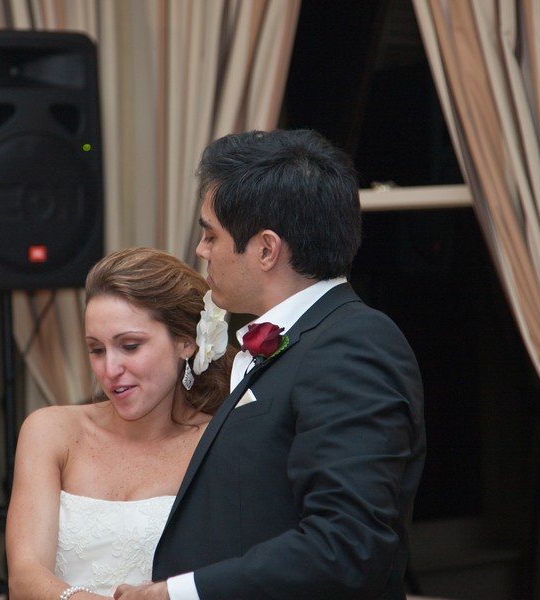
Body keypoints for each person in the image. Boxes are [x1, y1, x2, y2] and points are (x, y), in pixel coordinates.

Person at [114, 129, 426, 600]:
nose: (201, 250)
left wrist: (177, 593)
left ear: (266, 249)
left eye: (211, 234)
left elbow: (346, 547)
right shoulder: (296, 343)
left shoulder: (353, 344)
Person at [6, 248, 235, 600]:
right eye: (96, 350)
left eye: (129, 346)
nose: (109, 370)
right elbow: (24, 577)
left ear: (187, 342)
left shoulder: (221, 441)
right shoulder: (50, 431)